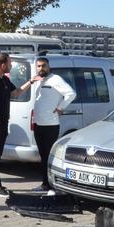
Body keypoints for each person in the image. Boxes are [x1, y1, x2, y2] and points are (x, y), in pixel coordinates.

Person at [0, 53, 36, 197]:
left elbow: (16, 93)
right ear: (3, 64)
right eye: (10, 63)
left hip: (3, 123)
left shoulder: (4, 79)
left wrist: (30, 82)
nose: (11, 66)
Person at [30, 57, 76, 191]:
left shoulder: (55, 79)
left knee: (49, 156)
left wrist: (61, 107)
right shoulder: (38, 81)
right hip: (38, 124)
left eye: (43, 66)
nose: (41, 68)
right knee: (43, 156)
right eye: (38, 66)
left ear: (48, 66)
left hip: (50, 125)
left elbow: (71, 93)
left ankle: (51, 185)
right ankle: (45, 184)